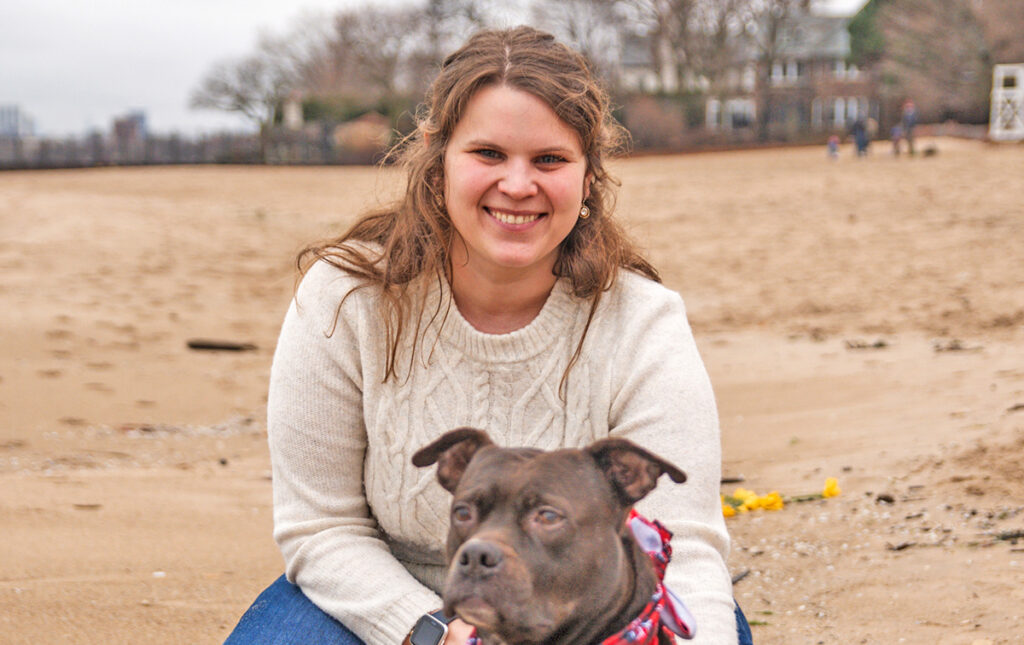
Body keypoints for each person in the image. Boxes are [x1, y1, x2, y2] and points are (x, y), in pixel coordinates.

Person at [225, 26, 752, 645]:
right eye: (489, 154)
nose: (519, 185)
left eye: (550, 160)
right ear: (437, 156)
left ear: (588, 177)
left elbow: (683, 549)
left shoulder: (641, 322)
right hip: (379, 602)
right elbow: (320, 526)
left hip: (589, 615)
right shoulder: (346, 298)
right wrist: (431, 631)